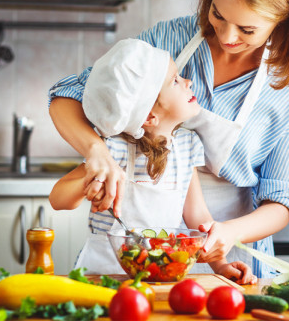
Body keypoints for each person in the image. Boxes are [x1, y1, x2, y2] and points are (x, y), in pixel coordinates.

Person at [48, 0, 289, 278]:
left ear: (283, 20)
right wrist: (97, 153)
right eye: (218, 14)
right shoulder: (171, 39)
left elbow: (282, 200)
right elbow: (72, 94)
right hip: (120, 268)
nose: (227, 36)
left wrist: (227, 238)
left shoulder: (286, 90)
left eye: (247, 29)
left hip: (223, 248)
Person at [49, 38, 256, 284]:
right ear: (149, 116)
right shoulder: (114, 149)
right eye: (175, 81)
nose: (188, 81)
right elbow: (57, 198)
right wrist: (88, 183)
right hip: (102, 275)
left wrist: (220, 265)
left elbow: (197, 216)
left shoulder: (187, 146)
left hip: (161, 274)